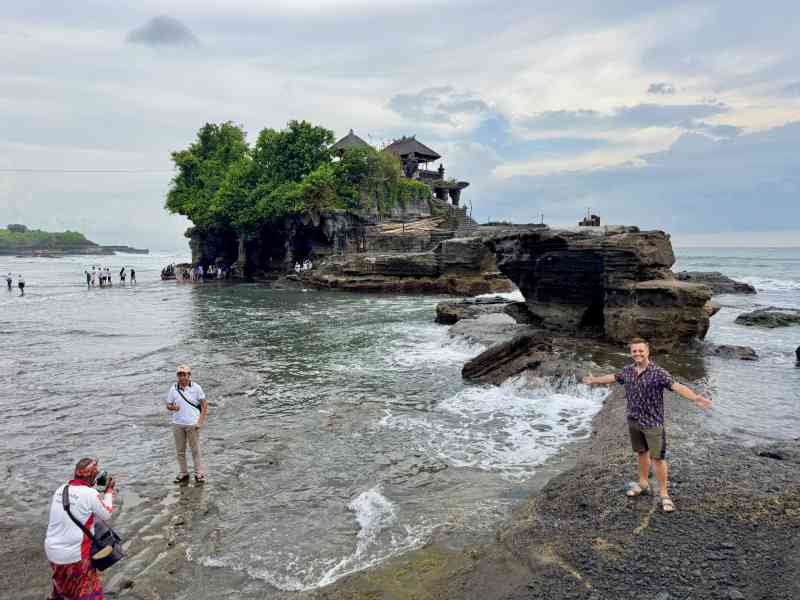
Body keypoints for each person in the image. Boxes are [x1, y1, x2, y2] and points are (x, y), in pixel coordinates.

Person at [582, 337, 712, 513]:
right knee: (641, 452)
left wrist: (695, 397)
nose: (637, 353)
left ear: (647, 351)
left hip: (653, 422)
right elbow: (612, 377)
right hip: (634, 420)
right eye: (634, 351)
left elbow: (676, 386)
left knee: (657, 458)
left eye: (640, 350)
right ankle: (643, 483)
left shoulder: (658, 372)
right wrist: (594, 380)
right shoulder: (628, 371)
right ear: (631, 353)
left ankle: (664, 494)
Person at [44, 457, 115, 600]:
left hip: (52, 551)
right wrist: (108, 491)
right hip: (75, 554)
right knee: (87, 590)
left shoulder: (61, 489)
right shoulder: (90, 494)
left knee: (64, 586)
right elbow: (106, 513)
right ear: (93, 476)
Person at [166, 364, 207, 484]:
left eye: (184, 374)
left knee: (195, 450)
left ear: (189, 375)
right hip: (177, 424)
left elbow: (204, 405)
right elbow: (168, 405)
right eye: (179, 374)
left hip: (192, 424)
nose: (182, 377)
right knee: (180, 451)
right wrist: (173, 407)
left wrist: (200, 422)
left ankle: (199, 473)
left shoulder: (196, 388)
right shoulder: (173, 388)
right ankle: (183, 472)